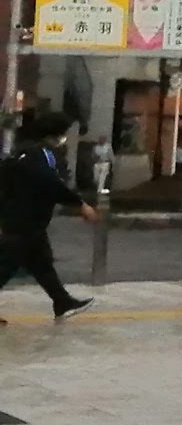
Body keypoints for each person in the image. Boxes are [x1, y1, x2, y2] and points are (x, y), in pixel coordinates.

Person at [0, 120, 97, 324]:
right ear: (54, 135)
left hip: (24, 221)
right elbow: (50, 183)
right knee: (6, 266)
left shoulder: (21, 153)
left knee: (42, 264)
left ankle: (62, 302)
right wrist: (79, 204)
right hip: (24, 223)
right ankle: (62, 301)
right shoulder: (41, 155)